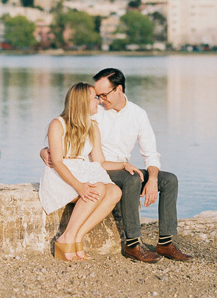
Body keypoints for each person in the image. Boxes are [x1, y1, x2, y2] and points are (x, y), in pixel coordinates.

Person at [42, 68, 192, 263]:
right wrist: (44, 151)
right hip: (98, 170)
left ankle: (165, 242)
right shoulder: (95, 114)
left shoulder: (138, 114)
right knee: (131, 180)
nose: (101, 99)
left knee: (169, 180)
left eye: (103, 95)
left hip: (118, 166)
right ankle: (133, 244)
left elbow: (151, 153)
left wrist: (152, 178)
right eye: (97, 95)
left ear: (118, 89)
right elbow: (69, 131)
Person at [38, 82, 124, 261]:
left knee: (115, 191)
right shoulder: (58, 124)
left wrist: (124, 165)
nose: (99, 102)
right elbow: (59, 162)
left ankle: (77, 236)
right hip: (62, 176)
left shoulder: (93, 127)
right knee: (97, 188)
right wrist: (79, 186)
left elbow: (100, 161)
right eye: (95, 98)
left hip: (84, 172)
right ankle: (66, 237)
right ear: (83, 101)